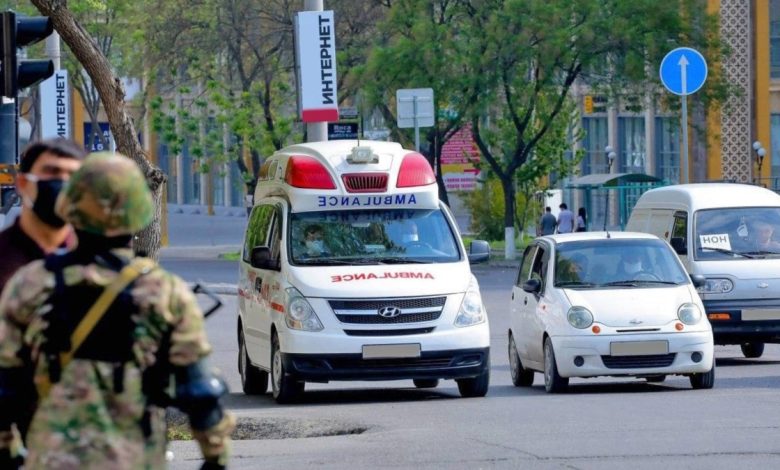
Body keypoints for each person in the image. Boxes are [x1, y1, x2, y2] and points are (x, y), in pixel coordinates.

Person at [0, 152, 234, 469]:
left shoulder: (30, 285)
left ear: (70, 207)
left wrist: (10, 452)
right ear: (138, 211)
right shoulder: (164, 291)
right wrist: (215, 458)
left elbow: (6, 385)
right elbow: (201, 391)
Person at [0, 138, 86, 293]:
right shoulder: (4, 259)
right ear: (23, 184)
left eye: (74, 175)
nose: (64, 183)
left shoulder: (97, 261)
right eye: (52, 172)